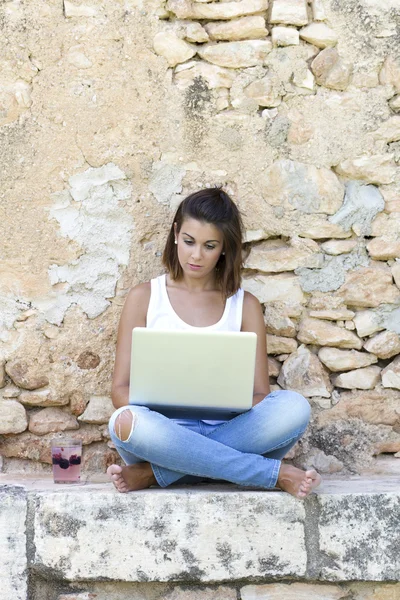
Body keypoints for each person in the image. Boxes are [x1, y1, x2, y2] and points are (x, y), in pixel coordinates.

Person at [107, 188, 321, 498]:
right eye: (190, 242)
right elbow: (119, 391)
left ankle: (155, 473)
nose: (196, 256)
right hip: (163, 435)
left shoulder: (244, 305)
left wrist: (228, 399)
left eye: (209, 246)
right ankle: (269, 474)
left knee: (294, 407)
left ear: (223, 248)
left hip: (230, 430)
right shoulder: (144, 298)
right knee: (124, 420)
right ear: (176, 234)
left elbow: (261, 394)